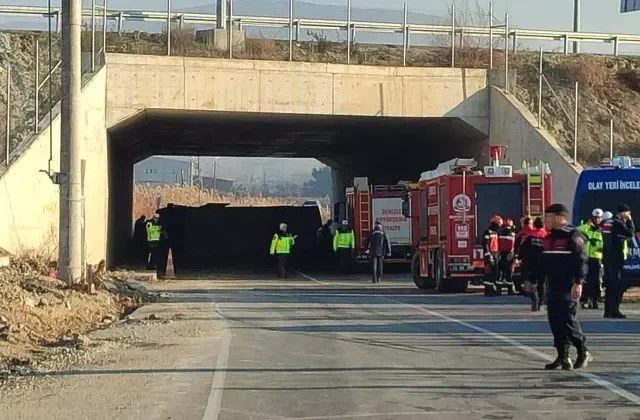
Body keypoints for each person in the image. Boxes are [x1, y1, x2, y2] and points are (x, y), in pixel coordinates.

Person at [542, 203, 591, 370]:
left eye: (548, 216)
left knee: (567, 320)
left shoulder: (573, 235)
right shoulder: (549, 238)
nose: (545, 220)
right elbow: (544, 263)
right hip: (553, 286)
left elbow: (582, 261)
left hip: (568, 285)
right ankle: (563, 356)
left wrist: (579, 282)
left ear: (558, 217)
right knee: (555, 321)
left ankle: (582, 351)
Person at [601, 204, 635, 318]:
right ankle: (614, 310)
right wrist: (630, 221)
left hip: (607, 257)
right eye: (628, 213)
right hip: (615, 258)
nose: (629, 215)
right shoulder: (617, 223)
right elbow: (631, 233)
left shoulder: (607, 222)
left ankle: (608, 310)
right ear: (622, 213)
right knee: (617, 285)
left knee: (610, 285)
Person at [577, 208, 604, 309]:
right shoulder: (585, 227)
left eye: (599, 218)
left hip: (597, 257)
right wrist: (587, 226)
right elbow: (578, 231)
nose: (597, 220)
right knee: (585, 279)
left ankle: (595, 300)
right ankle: (586, 299)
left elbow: (603, 241)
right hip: (586, 257)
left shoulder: (603, 229)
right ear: (592, 218)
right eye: (596, 218)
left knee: (596, 280)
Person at [520, 217, 547, 311]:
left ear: (534, 225)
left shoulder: (528, 236)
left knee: (529, 282)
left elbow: (521, 249)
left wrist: (520, 258)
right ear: (543, 225)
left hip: (529, 263)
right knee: (542, 283)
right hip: (543, 264)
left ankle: (534, 298)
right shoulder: (546, 236)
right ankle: (541, 302)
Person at [482, 215, 502, 297]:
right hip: (490, 254)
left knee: (495, 273)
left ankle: (492, 289)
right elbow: (485, 243)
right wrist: (488, 254)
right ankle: (488, 291)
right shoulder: (488, 232)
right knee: (488, 273)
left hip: (496, 254)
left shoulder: (496, 232)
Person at [497, 218, 517, 295]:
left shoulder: (499, 234)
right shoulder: (513, 234)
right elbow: (515, 246)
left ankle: (498, 291)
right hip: (510, 256)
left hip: (501, 255)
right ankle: (510, 291)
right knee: (509, 274)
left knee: (500, 274)